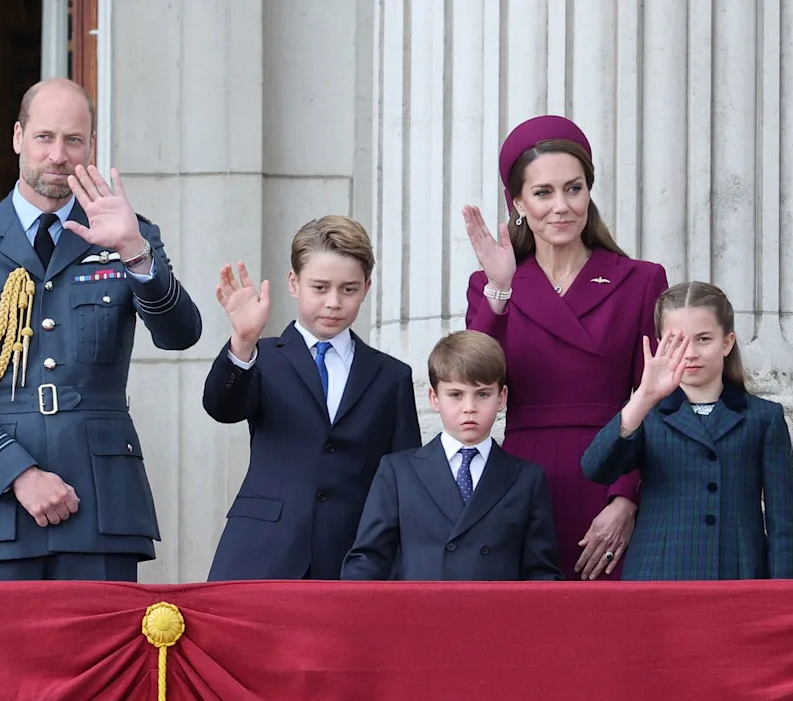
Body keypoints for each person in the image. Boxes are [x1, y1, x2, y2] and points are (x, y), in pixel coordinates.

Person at [0, 78, 202, 581]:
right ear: (18, 137)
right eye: (45, 137)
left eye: (74, 140)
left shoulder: (129, 233)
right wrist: (17, 474)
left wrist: (134, 250)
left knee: (101, 662)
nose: (59, 155)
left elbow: (180, 335)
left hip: (101, 504)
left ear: (91, 146)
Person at [463, 115, 668, 580]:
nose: (561, 207)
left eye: (573, 189)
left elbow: (656, 398)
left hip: (609, 470)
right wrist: (500, 287)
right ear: (517, 202)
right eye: (543, 193)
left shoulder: (640, 280)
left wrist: (625, 498)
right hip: (521, 480)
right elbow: (473, 377)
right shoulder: (491, 284)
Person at [203, 215, 421, 580]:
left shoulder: (391, 376)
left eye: (348, 289)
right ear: (294, 282)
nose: (333, 302)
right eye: (320, 288)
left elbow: (402, 480)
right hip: (261, 552)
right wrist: (242, 341)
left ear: (366, 288)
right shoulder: (263, 356)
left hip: (352, 559)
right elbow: (221, 407)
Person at [581, 282, 793, 580]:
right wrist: (643, 397)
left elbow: (782, 524)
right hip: (659, 572)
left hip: (737, 573)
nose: (691, 353)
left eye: (704, 339)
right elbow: (596, 468)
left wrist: (781, 598)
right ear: (660, 343)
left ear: (727, 342)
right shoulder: (646, 413)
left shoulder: (763, 417)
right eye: (678, 341)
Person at [341, 330, 562, 581]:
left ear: (501, 398)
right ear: (434, 398)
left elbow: (541, 573)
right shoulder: (398, 472)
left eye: (482, 394)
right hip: (420, 616)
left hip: (495, 617)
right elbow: (369, 559)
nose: (469, 407)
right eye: (455, 395)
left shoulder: (526, 479)